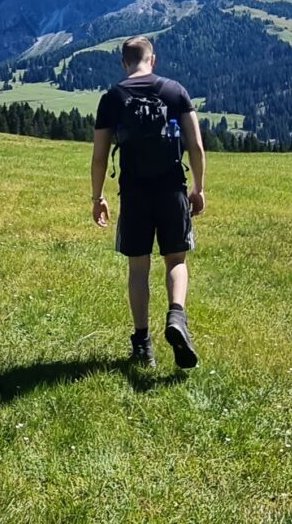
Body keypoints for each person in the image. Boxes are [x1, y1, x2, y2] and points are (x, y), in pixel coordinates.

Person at [90, 35, 206, 369]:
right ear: (152, 60)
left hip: (134, 193)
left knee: (138, 267)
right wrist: (198, 188)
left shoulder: (112, 98)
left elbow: (100, 157)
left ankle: (143, 345)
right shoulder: (175, 91)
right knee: (176, 260)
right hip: (172, 190)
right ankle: (177, 317)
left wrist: (98, 197)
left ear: (124, 63)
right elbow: (195, 146)